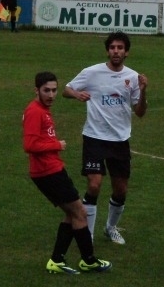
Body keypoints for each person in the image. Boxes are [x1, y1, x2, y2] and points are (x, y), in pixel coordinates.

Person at [63, 31, 148, 245]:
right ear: (108, 51)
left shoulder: (133, 77)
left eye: (120, 48)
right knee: (94, 185)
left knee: (120, 189)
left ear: (126, 52)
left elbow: (139, 112)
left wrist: (144, 90)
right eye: (112, 48)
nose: (116, 51)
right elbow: (66, 89)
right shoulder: (91, 73)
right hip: (94, 137)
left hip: (120, 140)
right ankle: (87, 235)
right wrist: (77, 94)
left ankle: (110, 228)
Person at [23, 71, 112, 274]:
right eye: (46, 90)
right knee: (80, 212)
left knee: (72, 214)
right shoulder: (35, 111)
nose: (52, 95)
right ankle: (88, 260)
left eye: (54, 90)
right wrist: (56, 144)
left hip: (52, 169)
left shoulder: (43, 109)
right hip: (47, 172)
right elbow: (29, 144)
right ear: (36, 90)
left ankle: (57, 260)